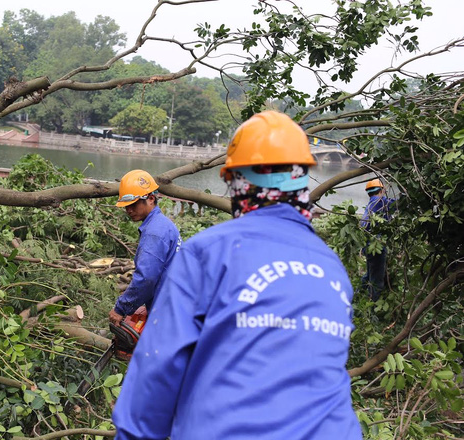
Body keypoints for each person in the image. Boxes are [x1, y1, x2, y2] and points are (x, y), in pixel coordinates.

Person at [112, 111, 362, 440]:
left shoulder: (207, 254)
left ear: (233, 182)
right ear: (301, 181)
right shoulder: (332, 268)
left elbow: (155, 380)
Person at [109, 170, 181, 326]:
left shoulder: (155, 232)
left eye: (133, 204)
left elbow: (146, 279)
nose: (129, 210)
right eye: (126, 206)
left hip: (166, 312)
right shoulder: (164, 224)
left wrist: (121, 309)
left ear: (150, 199)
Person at [360, 178, 395, 302]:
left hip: (367, 244)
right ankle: (373, 306)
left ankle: (358, 296)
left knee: (370, 274)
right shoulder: (380, 201)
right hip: (376, 245)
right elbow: (398, 204)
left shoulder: (371, 203)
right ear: (381, 190)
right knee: (376, 280)